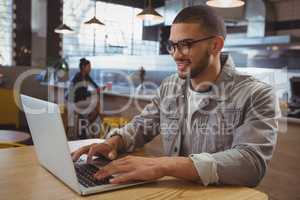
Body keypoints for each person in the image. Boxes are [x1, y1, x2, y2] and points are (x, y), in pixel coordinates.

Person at [72, 6, 280, 187]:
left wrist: (162, 165)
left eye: (186, 44)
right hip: (174, 193)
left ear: (215, 45)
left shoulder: (257, 94)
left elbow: (251, 164)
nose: (176, 54)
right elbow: (143, 125)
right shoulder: (170, 86)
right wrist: (113, 142)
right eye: (172, 45)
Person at [67, 58, 104, 138]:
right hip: (74, 102)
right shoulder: (78, 77)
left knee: (96, 106)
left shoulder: (86, 76)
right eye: (89, 66)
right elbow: (80, 94)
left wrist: (100, 88)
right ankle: (97, 125)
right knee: (97, 104)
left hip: (81, 101)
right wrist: (94, 92)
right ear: (83, 67)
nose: (90, 68)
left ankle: (87, 125)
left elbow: (95, 86)